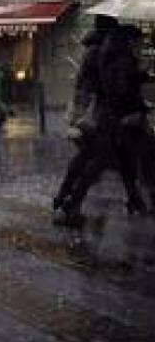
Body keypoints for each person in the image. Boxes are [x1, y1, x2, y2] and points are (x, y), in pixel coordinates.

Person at [55, 23, 150, 225]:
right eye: (139, 41)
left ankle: (134, 199)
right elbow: (118, 87)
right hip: (111, 115)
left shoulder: (108, 52)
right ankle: (70, 203)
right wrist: (136, 103)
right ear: (131, 40)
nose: (141, 45)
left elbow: (113, 82)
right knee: (99, 160)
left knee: (122, 159)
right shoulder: (116, 56)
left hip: (106, 113)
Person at [52, 16, 114, 215]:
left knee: (87, 154)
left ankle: (65, 193)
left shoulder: (92, 50)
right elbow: (101, 83)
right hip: (93, 111)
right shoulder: (99, 53)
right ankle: (73, 198)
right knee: (98, 157)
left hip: (84, 109)